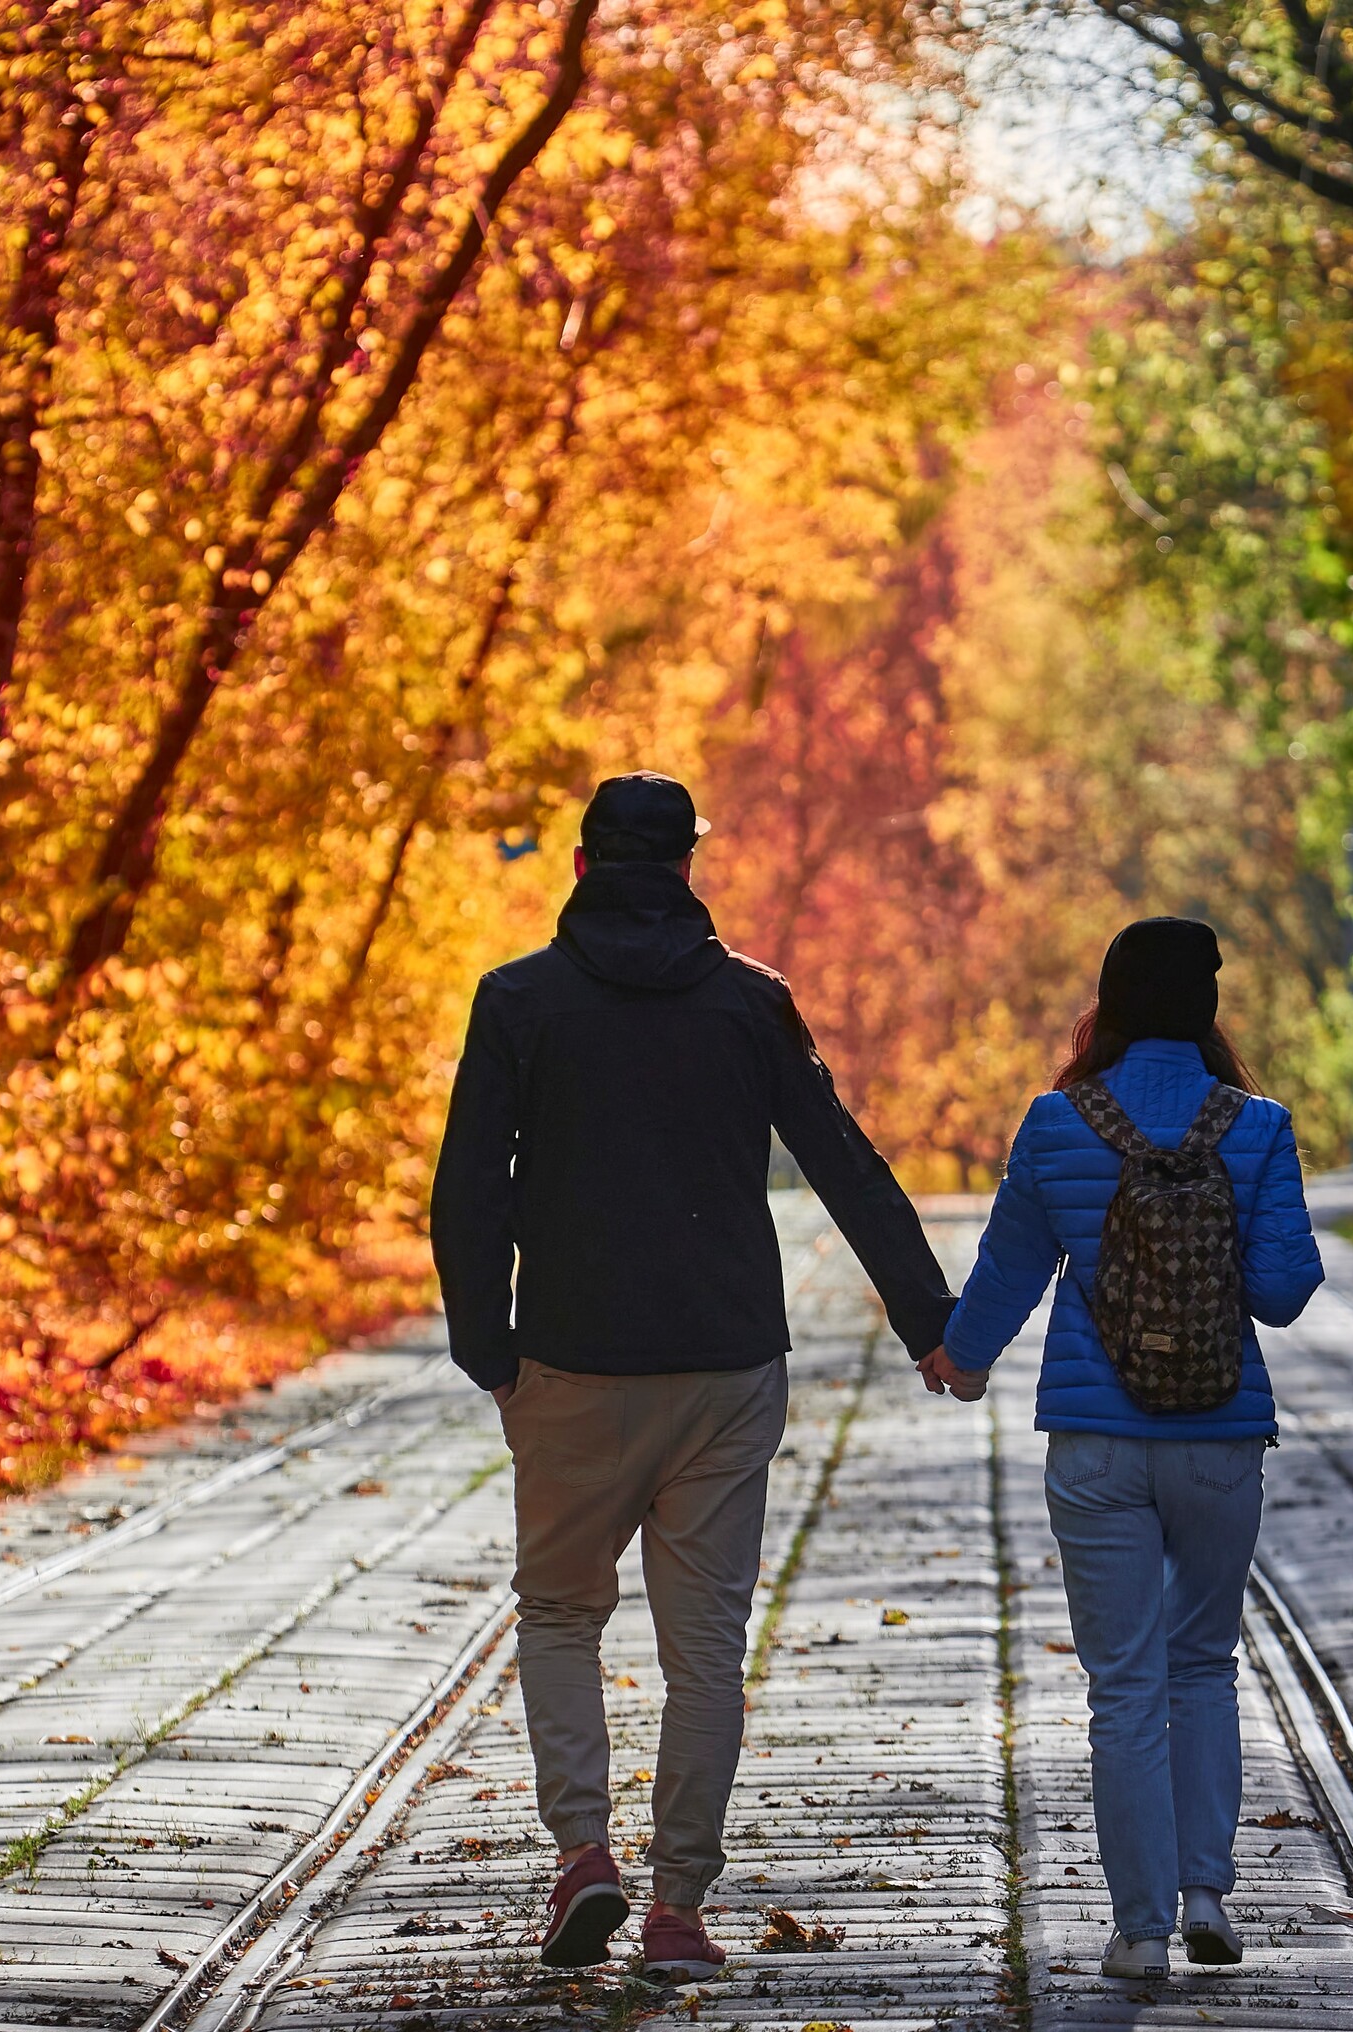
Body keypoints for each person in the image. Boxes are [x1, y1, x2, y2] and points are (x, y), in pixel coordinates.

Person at [430, 772, 955, 1981]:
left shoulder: (518, 1000)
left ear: (577, 866)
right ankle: (675, 1908)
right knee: (703, 1648)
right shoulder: (749, 1004)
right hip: (725, 1366)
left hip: (568, 1359)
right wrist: (930, 1321)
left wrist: (487, 1350)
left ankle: (581, 1855)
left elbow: (466, 1187)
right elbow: (841, 1159)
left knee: (561, 1612)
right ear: (684, 868)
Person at [919, 917, 1323, 1977]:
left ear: (1109, 1002)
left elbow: (1007, 1270)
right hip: (1219, 1438)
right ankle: (1207, 1897)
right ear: (1205, 1008)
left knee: (1123, 1686)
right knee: (1201, 1663)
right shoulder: (1257, 1125)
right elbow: (1282, 1293)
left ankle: (1138, 1930)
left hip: (1095, 1441)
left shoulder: (1057, 1124)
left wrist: (960, 1359)